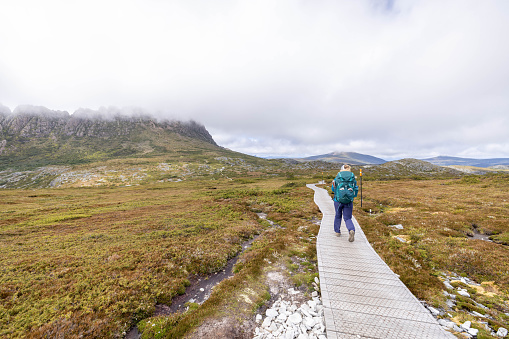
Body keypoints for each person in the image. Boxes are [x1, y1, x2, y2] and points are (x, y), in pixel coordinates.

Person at [331, 164, 359, 242]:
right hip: (349, 201)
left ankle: (337, 232)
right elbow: (355, 188)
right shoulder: (352, 178)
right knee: (347, 218)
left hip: (338, 200)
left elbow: (333, 189)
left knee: (338, 215)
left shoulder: (337, 177)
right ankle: (351, 229)